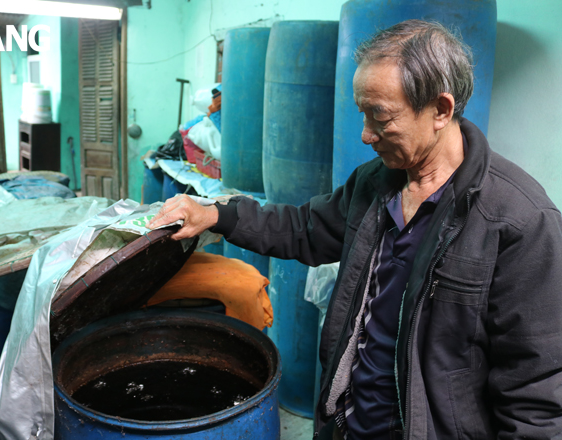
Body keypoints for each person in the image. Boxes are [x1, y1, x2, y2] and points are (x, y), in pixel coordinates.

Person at [148, 19, 562, 440]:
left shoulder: (519, 222)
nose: (365, 135)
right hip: (349, 425)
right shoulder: (376, 183)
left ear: (441, 109)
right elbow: (304, 229)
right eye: (362, 113)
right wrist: (217, 215)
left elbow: (535, 391)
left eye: (381, 117)